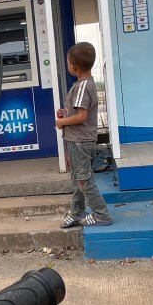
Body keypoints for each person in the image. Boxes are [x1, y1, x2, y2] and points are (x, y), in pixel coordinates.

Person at [55, 42, 112, 228]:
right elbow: (78, 112)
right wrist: (65, 114)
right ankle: (77, 211)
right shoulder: (87, 85)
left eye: (67, 62)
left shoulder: (81, 87)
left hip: (79, 142)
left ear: (73, 67)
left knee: (83, 180)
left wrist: (61, 122)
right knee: (77, 179)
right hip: (79, 141)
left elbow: (81, 116)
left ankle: (101, 215)